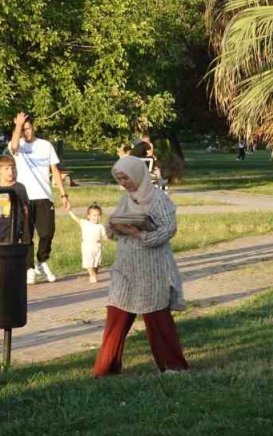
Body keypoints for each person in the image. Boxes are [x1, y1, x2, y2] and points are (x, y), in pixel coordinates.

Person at [93, 156, 188, 377]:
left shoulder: (158, 199)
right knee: (116, 315)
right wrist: (115, 227)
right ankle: (106, 369)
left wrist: (140, 234)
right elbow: (112, 231)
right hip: (125, 268)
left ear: (137, 173)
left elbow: (168, 229)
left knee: (157, 317)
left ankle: (173, 366)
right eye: (119, 178)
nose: (124, 182)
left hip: (151, 269)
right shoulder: (125, 199)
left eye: (126, 177)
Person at [9, 113, 69, 284]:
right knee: (26, 235)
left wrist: (63, 194)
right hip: (24, 197)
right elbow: (13, 147)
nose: (26, 132)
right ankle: (29, 268)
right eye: (23, 129)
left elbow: (55, 171)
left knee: (47, 233)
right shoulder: (17, 145)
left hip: (44, 196)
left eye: (28, 128)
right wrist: (18, 126)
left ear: (34, 127)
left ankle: (42, 261)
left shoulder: (46, 145)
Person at [66, 202, 109, 283]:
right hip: (87, 246)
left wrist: (107, 238)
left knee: (96, 263)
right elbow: (76, 219)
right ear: (88, 216)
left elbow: (104, 236)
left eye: (98, 215)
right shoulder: (85, 223)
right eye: (94, 215)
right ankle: (92, 276)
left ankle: (93, 274)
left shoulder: (101, 226)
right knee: (89, 262)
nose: (96, 217)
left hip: (97, 246)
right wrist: (69, 211)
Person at [0, 154, 30, 247]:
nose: (11, 171)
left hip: (12, 229)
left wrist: (25, 231)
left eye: (13, 168)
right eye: (7, 169)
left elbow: (25, 210)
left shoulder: (19, 188)